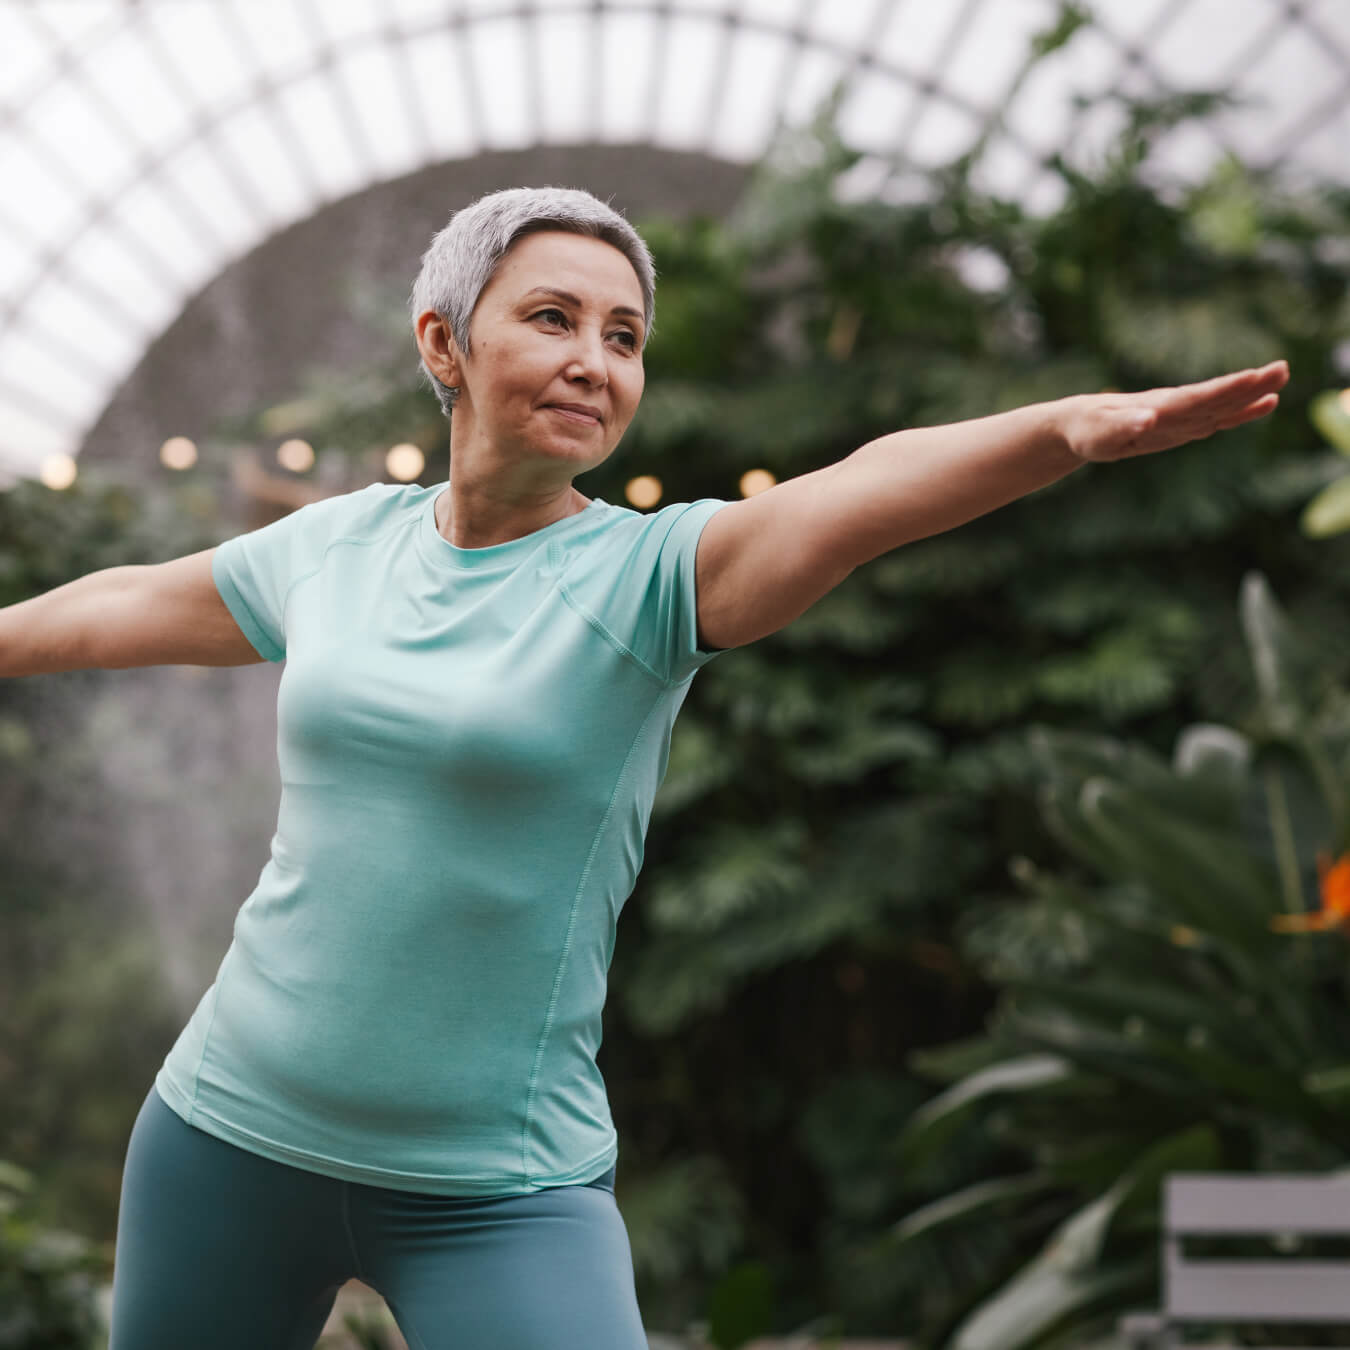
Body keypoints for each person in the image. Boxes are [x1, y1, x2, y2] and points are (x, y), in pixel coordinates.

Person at [0, 185, 1289, 1350]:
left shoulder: (652, 578)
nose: (594, 361)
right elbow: (120, 604)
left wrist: (1063, 430)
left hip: (498, 1192)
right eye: (552, 318)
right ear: (444, 344)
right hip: (226, 1137)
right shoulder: (337, 547)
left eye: (623, 338)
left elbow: (863, 487)